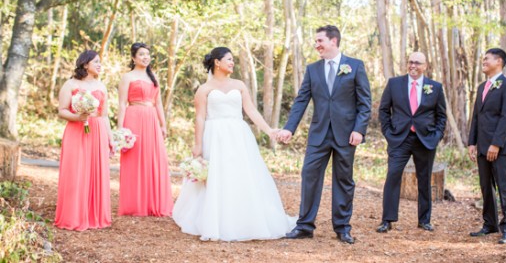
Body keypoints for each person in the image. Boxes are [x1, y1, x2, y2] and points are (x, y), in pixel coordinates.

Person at [172, 47, 296, 241]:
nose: (232, 63)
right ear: (217, 62)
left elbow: (251, 111)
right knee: (216, 178)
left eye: (233, 60)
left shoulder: (239, 85)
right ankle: (215, 220)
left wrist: (270, 130)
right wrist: (197, 145)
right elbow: (200, 118)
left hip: (238, 135)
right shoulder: (204, 90)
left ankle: (244, 219)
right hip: (214, 136)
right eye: (229, 59)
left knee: (240, 175)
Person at [278, 25, 371, 244]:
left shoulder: (355, 66)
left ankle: (342, 227)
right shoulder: (313, 69)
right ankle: (304, 226)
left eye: (320, 40)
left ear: (333, 41)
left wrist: (359, 129)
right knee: (309, 176)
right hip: (319, 134)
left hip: (346, 134)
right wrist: (289, 128)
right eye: (316, 41)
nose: (316, 45)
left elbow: (365, 103)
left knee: (344, 180)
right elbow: (301, 100)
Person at [376, 52, 447, 233]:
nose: (413, 66)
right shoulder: (394, 84)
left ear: (425, 66)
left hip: (425, 140)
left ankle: (424, 220)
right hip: (399, 138)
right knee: (393, 176)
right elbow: (384, 110)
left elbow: (441, 116)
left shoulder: (435, 87)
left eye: (417, 63)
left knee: (424, 179)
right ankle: (387, 220)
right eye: (410, 62)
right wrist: (389, 133)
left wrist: (436, 136)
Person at [55, 50, 112, 230]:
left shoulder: (102, 86)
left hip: (97, 131)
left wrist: (110, 138)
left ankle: (94, 215)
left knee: (95, 171)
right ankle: (73, 215)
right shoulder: (70, 84)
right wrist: (78, 117)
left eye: (100, 62)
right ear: (85, 64)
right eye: (96, 62)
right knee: (76, 171)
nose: (99, 65)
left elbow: (105, 115)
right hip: (76, 130)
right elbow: (62, 110)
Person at [468, 48, 506, 244]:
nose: (483, 62)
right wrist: (472, 142)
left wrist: (496, 144)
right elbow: (476, 117)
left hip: (501, 147)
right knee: (486, 186)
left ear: (499, 61)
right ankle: (490, 224)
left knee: (505, 188)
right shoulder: (482, 87)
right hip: (481, 146)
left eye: (487, 59)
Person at [118, 42, 173, 216]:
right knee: (135, 157)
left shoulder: (153, 76)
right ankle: (134, 203)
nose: (145, 57)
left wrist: (163, 124)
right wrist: (120, 129)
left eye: (147, 54)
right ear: (134, 58)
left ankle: (153, 201)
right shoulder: (127, 77)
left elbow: (158, 103)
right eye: (141, 54)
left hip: (151, 119)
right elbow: (121, 103)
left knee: (153, 157)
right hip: (133, 115)